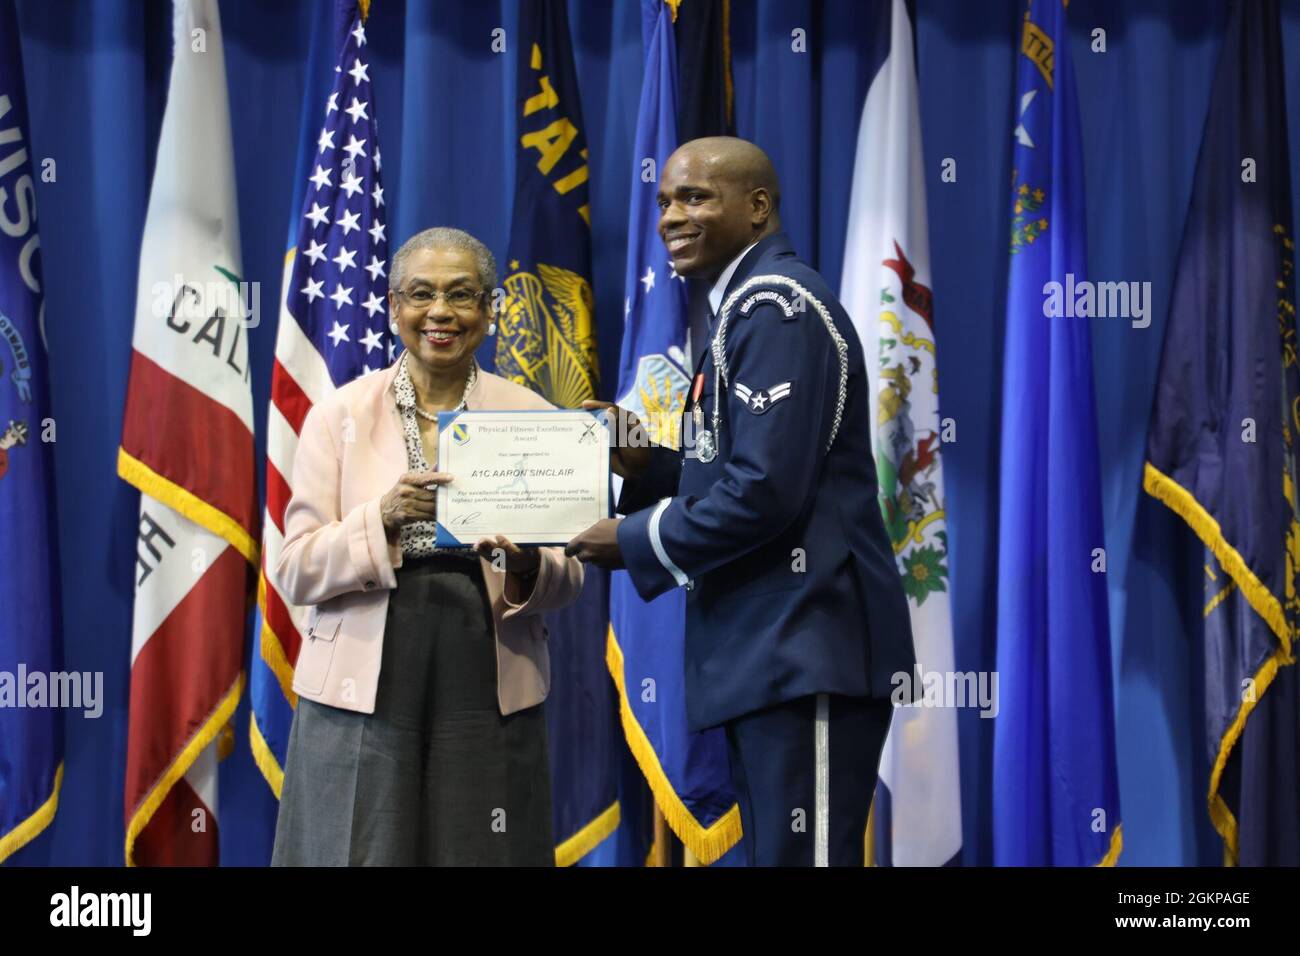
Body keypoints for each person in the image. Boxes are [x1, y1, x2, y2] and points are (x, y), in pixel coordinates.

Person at [567, 137, 917, 866]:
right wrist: (648, 468)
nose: (670, 216)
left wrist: (632, 540)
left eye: (695, 197)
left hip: (807, 646)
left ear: (758, 208)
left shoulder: (776, 306)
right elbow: (738, 471)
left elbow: (766, 493)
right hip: (772, 651)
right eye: (664, 200)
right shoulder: (742, 308)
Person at [272, 226, 584, 866]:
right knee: (358, 849)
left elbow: (571, 576)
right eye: (421, 294)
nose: (440, 312)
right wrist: (377, 520)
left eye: (462, 295)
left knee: (483, 850)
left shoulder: (535, 417)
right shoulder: (339, 416)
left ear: (489, 311)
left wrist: (527, 564)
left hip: (486, 670)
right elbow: (294, 569)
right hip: (363, 675)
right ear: (394, 308)